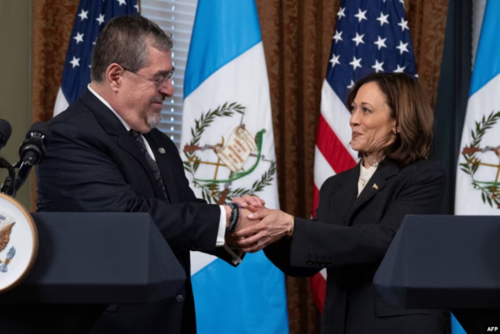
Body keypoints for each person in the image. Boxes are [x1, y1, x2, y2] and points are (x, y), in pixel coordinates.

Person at [35, 15, 255, 334]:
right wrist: (228, 219)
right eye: (159, 77)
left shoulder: (158, 141)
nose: (169, 89)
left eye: (170, 76)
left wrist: (245, 228)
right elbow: (129, 217)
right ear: (115, 76)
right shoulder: (69, 136)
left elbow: (184, 211)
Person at [233, 73, 446, 334]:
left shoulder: (423, 175)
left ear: (398, 123)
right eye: (354, 108)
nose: (353, 119)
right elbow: (306, 261)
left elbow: (386, 240)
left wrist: (291, 225)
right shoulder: (335, 186)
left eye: (365, 110)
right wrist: (267, 229)